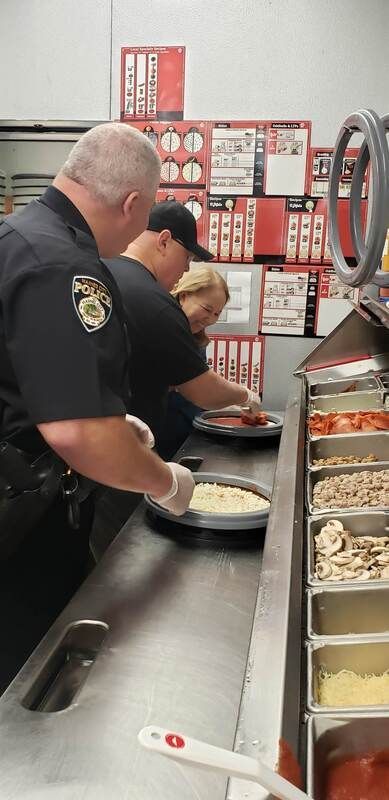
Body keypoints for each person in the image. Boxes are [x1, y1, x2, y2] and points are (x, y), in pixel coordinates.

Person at [0, 123, 195, 692]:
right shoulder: (66, 265)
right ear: (133, 203)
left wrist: (107, 416)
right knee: (25, 674)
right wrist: (163, 480)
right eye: (146, 214)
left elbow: (26, 378)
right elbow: (79, 434)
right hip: (23, 521)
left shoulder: (17, 235)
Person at [104, 201, 262, 451]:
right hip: (128, 448)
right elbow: (204, 391)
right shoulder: (155, 303)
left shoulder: (102, 271)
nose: (187, 268)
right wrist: (244, 395)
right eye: (187, 257)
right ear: (164, 241)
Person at [158, 267, 230, 459]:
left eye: (217, 313)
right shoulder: (159, 327)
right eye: (207, 309)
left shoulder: (196, 337)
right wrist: (242, 396)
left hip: (189, 430)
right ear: (184, 296)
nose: (210, 319)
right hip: (159, 430)